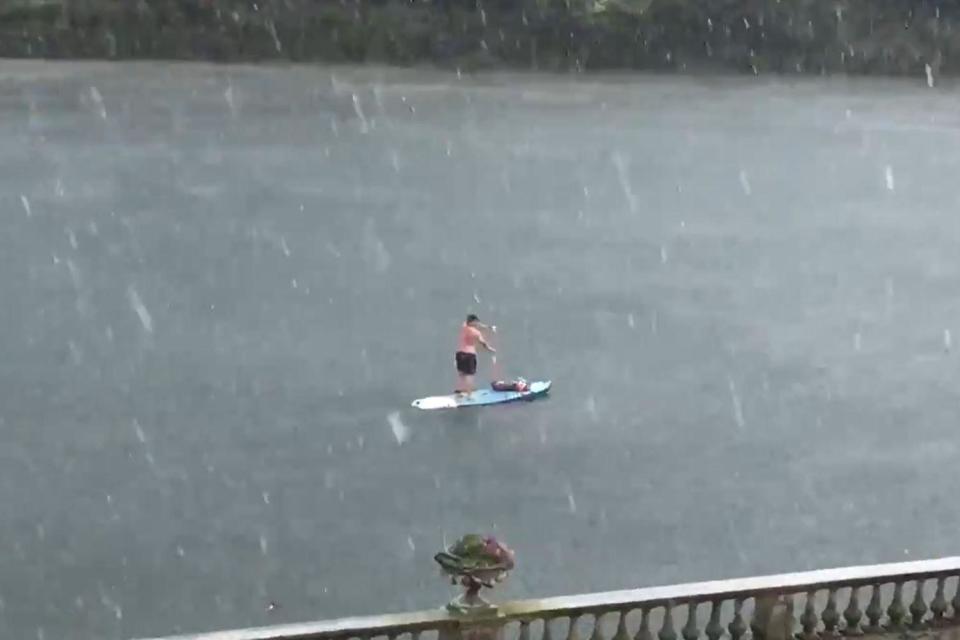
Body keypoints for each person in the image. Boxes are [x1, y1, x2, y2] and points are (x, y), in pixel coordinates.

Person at [455, 314, 495, 395]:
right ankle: (469, 394)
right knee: (469, 374)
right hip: (469, 354)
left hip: (459, 353)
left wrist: (488, 327)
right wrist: (491, 349)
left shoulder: (464, 327)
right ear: (474, 322)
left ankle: (461, 390)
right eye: (476, 322)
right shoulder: (476, 333)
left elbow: (477, 325)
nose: (477, 324)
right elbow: (483, 343)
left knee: (462, 372)